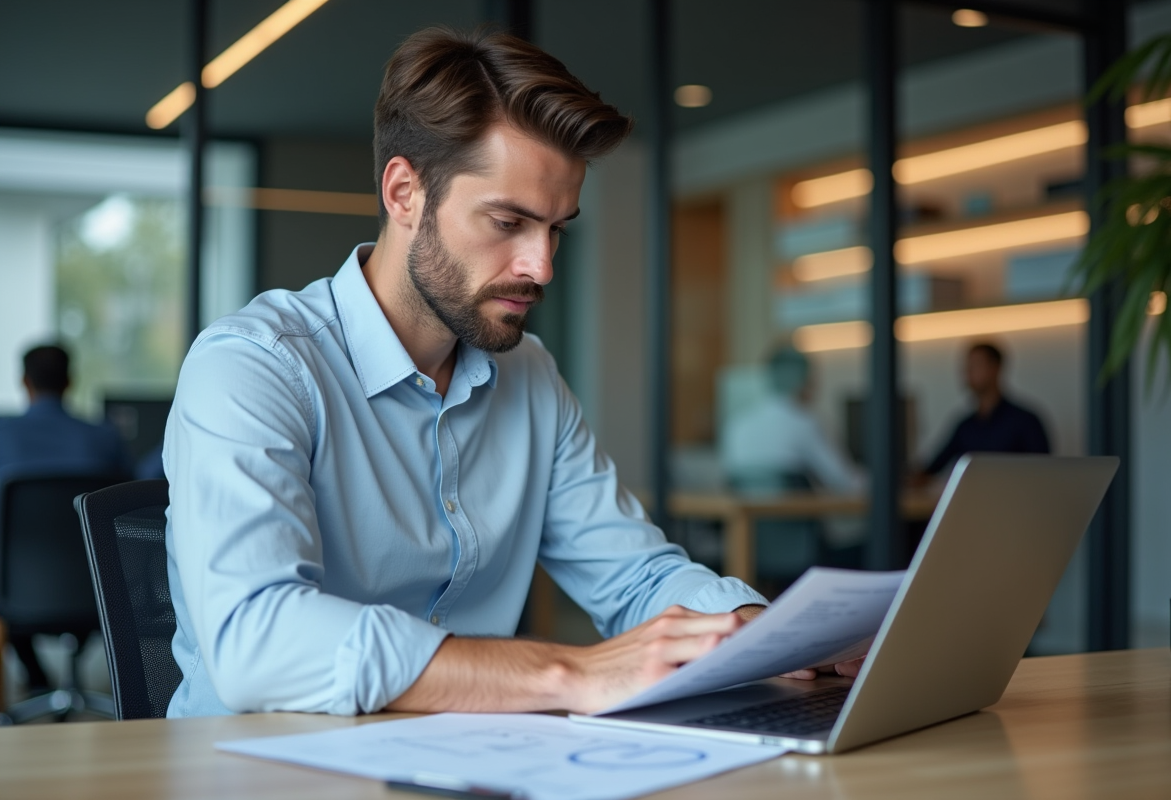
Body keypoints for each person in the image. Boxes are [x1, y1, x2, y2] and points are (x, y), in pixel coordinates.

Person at [164, 28, 863, 720]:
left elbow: (636, 574)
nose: (542, 266)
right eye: (508, 221)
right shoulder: (253, 367)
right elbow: (256, 638)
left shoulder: (529, 375)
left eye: (557, 229)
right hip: (260, 772)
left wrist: (776, 636)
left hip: (464, 764)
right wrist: (566, 671)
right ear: (404, 192)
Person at [0, 343, 130, 692]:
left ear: (24, 382)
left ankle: (37, 678)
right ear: (70, 382)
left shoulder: (3, 434)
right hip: (98, 589)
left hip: (15, 594)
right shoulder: (104, 437)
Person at [721, 345, 862, 494]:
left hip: (750, 518)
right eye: (813, 380)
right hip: (796, 515)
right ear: (803, 383)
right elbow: (841, 479)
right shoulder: (803, 423)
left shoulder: (737, 424)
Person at [917, 342, 1050, 484]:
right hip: (972, 502)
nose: (968, 373)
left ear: (995, 368)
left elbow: (1044, 474)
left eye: (975, 365)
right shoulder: (965, 426)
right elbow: (933, 466)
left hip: (1014, 502)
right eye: (967, 367)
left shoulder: (1025, 422)